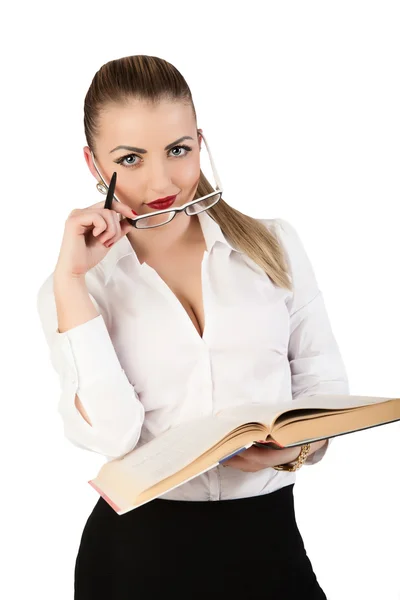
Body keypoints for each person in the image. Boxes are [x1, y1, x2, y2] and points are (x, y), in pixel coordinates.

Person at [36, 54, 349, 599]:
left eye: (177, 150)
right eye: (130, 158)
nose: (161, 180)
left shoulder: (273, 246)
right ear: (93, 163)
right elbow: (112, 434)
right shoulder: (76, 289)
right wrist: (70, 281)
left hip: (270, 540)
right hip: (136, 556)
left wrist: (290, 449)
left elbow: (324, 389)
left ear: (200, 142)